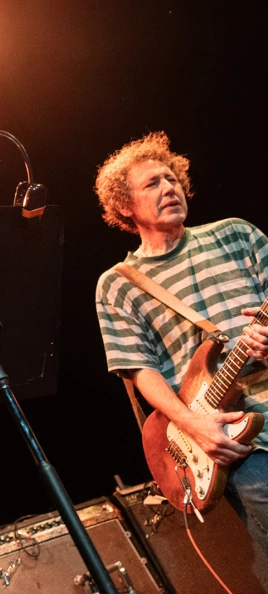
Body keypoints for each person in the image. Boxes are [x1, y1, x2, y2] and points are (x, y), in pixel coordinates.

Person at [94, 131, 268, 560]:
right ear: (124, 206)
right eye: (152, 183)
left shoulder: (236, 236)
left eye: (173, 179)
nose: (169, 187)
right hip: (233, 440)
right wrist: (195, 426)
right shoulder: (118, 284)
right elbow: (141, 373)